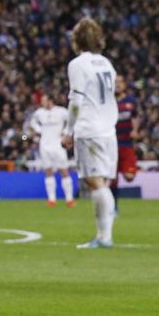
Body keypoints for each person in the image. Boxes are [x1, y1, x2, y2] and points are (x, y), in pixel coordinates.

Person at [63, 17, 118, 249]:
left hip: (89, 129)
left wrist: (68, 130)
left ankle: (104, 237)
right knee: (101, 182)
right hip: (108, 129)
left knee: (95, 183)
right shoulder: (107, 63)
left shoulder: (78, 64)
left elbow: (76, 100)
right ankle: (103, 235)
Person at [23, 91, 73, 207]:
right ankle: (51, 199)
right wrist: (39, 130)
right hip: (44, 145)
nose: (42, 103)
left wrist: (66, 133)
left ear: (50, 101)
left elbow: (71, 120)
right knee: (48, 171)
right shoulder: (39, 113)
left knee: (63, 170)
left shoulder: (61, 111)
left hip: (58, 144)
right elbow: (32, 122)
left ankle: (69, 199)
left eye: (44, 100)